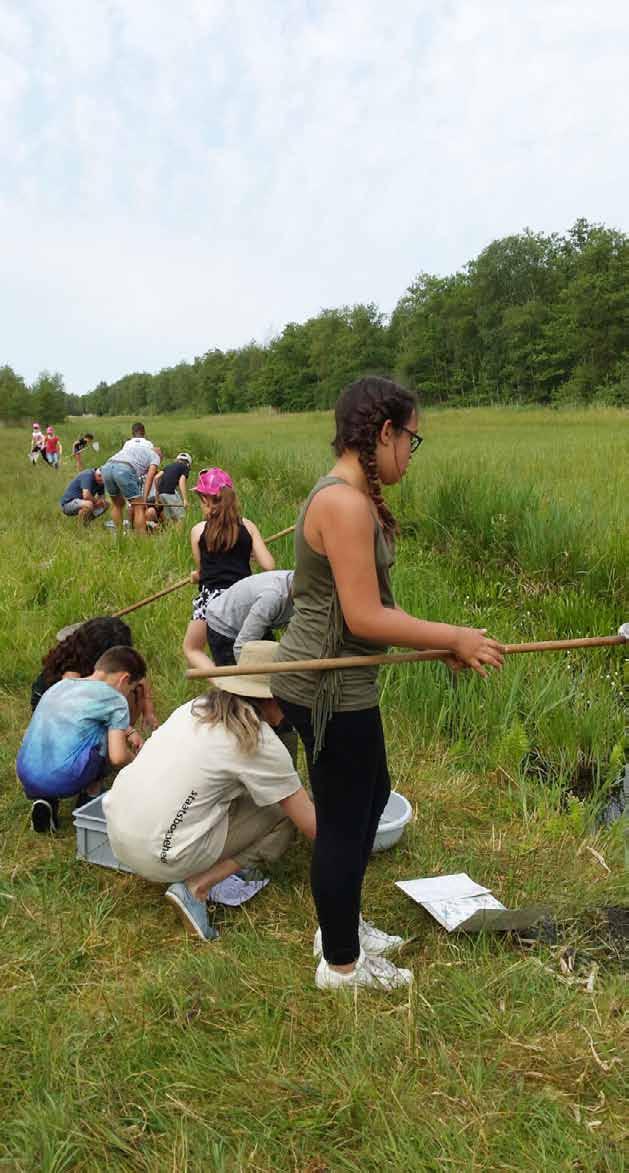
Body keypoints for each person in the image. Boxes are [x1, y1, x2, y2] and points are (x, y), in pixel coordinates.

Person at [272, 377, 505, 991]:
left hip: (346, 683)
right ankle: (342, 965)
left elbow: (365, 609)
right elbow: (364, 617)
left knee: (371, 798)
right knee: (346, 822)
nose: (411, 451)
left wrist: (439, 643)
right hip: (326, 689)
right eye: (412, 438)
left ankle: (339, 924)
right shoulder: (344, 504)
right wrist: (452, 636)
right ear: (384, 433)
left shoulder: (350, 497)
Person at [103, 641, 316, 941]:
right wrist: (356, 833)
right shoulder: (258, 740)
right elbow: (311, 825)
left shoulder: (195, 707)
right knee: (284, 813)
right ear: (274, 698)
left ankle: (198, 859)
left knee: (238, 792)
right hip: (161, 855)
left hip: (117, 837)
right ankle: (197, 887)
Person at [17, 646, 147, 834]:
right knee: (106, 732)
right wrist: (139, 764)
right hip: (65, 779)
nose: (127, 694)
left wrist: (129, 731)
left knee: (69, 731)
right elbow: (118, 757)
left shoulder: (63, 684)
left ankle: (45, 800)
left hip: (26, 772)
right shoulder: (115, 700)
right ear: (124, 679)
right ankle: (91, 793)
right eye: (131, 689)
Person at [182, 468, 275, 672]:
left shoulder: (198, 531)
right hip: (246, 597)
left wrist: (195, 577)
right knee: (254, 652)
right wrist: (250, 553)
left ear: (206, 500)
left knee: (192, 648)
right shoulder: (248, 526)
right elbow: (269, 565)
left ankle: (220, 680)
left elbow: (203, 572)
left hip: (214, 601)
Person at [31, 615, 159, 733]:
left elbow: (137, 677)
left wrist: (148, 711)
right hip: (64, 721)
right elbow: (92, 711)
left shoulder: (95, 662)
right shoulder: (72, 678)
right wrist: (127, 730)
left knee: (134, 689)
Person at [201, 569, 295, 670]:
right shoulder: (271, 599)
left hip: (258, 621)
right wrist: (246, 680)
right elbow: (242, 647)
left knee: (273, 668)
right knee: (235, 682)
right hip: (224, 624)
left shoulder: (308, 586)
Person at [100, 422, 161, 534]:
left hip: (107, 467)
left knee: (118, 504)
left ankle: (119, 536)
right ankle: (141, 540)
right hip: (124, 468)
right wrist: (145, 499)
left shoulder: (128, 443)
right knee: (138, 506)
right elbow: (150, 477)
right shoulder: (154, 455)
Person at [149, 451, 192, 524]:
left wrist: (157, 497)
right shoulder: (185, 467)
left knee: (169, 519)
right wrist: (185, 499)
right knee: (181, 518)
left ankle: (169, 533)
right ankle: (179, 535)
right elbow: (182, 481)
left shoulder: (168, 466)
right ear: (188, 463)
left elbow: (156, 478)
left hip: (161, 494)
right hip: (170, 493)